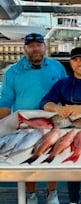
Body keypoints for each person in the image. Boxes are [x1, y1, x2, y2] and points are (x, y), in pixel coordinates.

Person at [0, 33, 67, 204]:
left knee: (52, 155)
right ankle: (31, 196)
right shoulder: (13, 72)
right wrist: (1, 125)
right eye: (31, 46)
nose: (35, 48)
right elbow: (6, 100)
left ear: (45, 47)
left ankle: (52, 193)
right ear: (25, 49)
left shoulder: (57, 67)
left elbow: (65, 93)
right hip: (24, 124)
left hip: (52, 121)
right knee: (25, 156)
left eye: (39, 45)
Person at [40, 47, 81, 204]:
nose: (79, 62)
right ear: (70, 63)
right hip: (70, 130)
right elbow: (45, 102)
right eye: (75, 59)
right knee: (72, 160)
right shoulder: (63, 83)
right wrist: (57, 108)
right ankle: (74, 200)